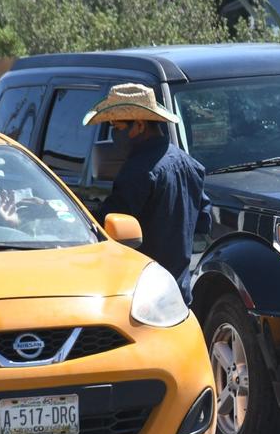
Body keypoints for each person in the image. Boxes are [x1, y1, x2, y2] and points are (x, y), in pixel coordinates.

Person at [84, 83, 212, 303]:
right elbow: (203, 224)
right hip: (179, 293)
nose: (115, 134)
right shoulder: (190, 164)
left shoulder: (138, 172)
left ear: (140, 125)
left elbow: (108, 228)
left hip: (142, 295)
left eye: (118, 127)